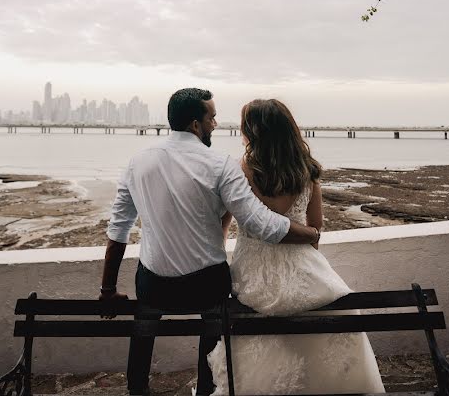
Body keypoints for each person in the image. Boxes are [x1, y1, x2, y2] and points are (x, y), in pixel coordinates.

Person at [100, 88, 321, 396]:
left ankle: (137, 387)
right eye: (212, 117)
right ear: (195, 124)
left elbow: (118, 230)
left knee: (144, 317)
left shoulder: (137, 162)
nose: (216, 124)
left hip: (154, 285)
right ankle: (207, 388)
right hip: (206, 286)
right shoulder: (220, 165)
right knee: (215, 310)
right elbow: (259, 222)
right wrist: (310, 234)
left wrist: (107, 290)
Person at [207, 98, 384, 395]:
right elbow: (316, 226)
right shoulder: (308, 170)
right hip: (303, 269)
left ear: (254, 131)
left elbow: (224, 222)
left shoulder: (241, 169)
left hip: (254, 276)